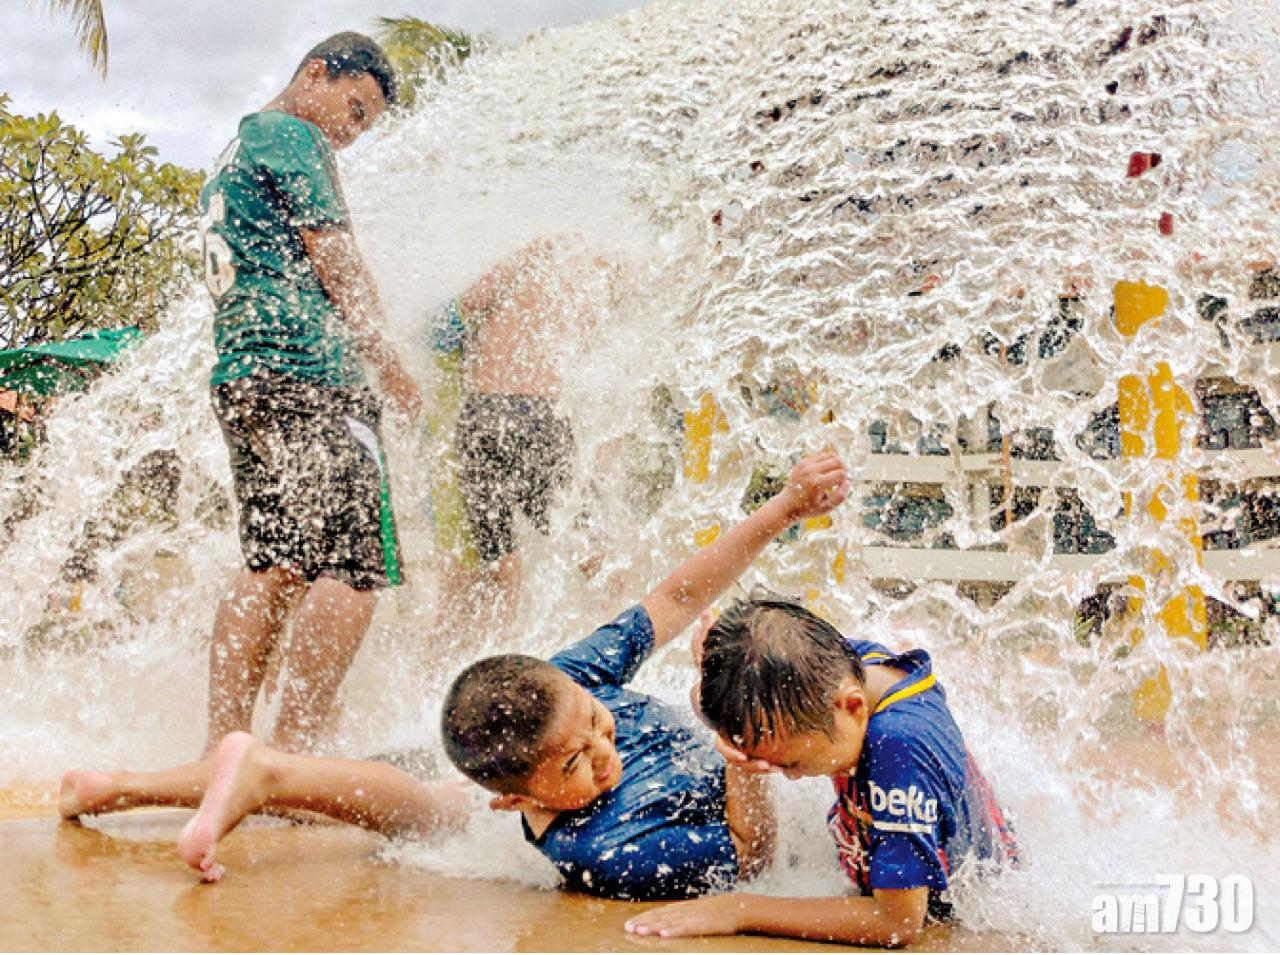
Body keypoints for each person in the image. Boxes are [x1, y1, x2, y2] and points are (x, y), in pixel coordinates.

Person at [59, 451, 850, 901]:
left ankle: (117, 787)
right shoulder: (604, 849)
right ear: (519, 800)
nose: (602, 747)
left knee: (356, 790)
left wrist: (780, 509)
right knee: (418, 809)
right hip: (472, 801)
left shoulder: (564, 683)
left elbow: (677, 594)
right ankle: (224, 777)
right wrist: (736, 755)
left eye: (596, 723)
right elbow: (749, 858)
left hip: (472, 764)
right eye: (578, 762)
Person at [197, 32, 423, 754]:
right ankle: (291, 755)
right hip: (312, 373)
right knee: (357, 563)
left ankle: (224, 747)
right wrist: (389, 364)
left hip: (244, 373)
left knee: (273, 558)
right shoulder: (293, 135)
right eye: (354, 109)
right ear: (316, 73)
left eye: (363, 125)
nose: (349, 134)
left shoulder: (233, 152)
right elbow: (337, 258)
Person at [624, 597, 1019, 945]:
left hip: (952, 908)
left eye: (794, 764)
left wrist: (740, 910)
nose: (790, 777)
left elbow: (897, 922)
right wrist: (723, 711)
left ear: (851, 706)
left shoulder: (899, 749)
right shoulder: (839, 669)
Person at [425, 239, 615, 635]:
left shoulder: (520, 258)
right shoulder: (586, 271)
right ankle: (618, 626)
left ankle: (502, 645)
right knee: (586, 543)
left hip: (484, 416)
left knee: (501, 559)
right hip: (538, 416)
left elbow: (456, 316)